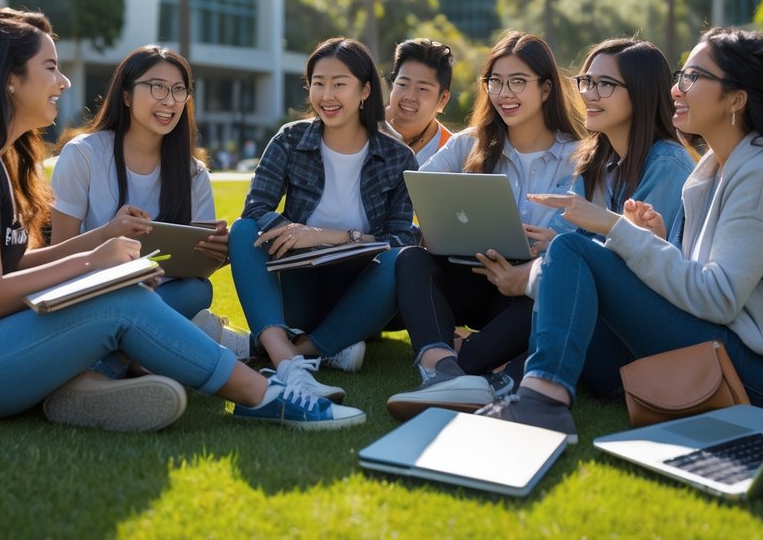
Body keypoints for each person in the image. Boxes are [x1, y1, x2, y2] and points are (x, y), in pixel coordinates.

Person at [0, 8, 365, 432]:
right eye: (50, 68)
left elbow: (13, 265)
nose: (64, 81)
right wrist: (92, 263)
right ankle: (267, 397)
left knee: (134, 292)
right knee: (120, 299)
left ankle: (93, 380)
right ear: (9, 79)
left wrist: (96, 253)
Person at [481, 27, 763, 442]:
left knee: (572, 249)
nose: (676, 89)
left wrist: (615, 227)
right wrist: (651, 239)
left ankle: (540, 401)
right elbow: (694, 281)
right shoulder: (711, 171)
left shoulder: (759, 172)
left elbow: (717, 298)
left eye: (693, 78)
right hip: (734, 354)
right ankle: (519, 385)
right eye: (680, 76)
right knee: (576, 268)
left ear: (736, 99)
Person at [386, 30, 584, 420]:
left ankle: (457, 366)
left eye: (517, 82)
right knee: (410, 260)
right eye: (495, 82)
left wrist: (551, 245)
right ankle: (442, 368)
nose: (504, 93)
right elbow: (418, 187)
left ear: (546, 89)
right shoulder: (469, 143)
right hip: (470, 276)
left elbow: (590, 239)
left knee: (552, 297)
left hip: (526, 291)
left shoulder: (578, 155)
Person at [229, 37, 420, 403]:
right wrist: (286, 230)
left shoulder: (399, 158)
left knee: (403, 260)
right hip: (300, 285)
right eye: (318, 83)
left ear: (365, 90)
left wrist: (326, 236)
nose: (327, 95)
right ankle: (290, 360)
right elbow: (255, 208)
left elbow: (401, 238)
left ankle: (296, 352)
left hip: (362, 293)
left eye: (339, 84)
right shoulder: (289, 140)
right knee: (244, 230)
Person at [49, 46, 246, 357]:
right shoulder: (82, 154)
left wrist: (215, 254)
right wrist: (110, 234)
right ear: (126, 95)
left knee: (197, 290)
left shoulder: (194, 174)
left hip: (163, 293)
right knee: (142, 314)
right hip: (97, 294)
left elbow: (193, 272)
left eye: (179, 90)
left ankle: (119, 357)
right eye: (157, 87)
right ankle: (173, 346)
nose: (169, 100)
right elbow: (57, 251)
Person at [384, 38, 454, 166]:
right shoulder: (362, 133)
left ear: (442, 99)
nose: (410, 97)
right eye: (403, 84)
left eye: (423, 89)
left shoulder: (453, 153)